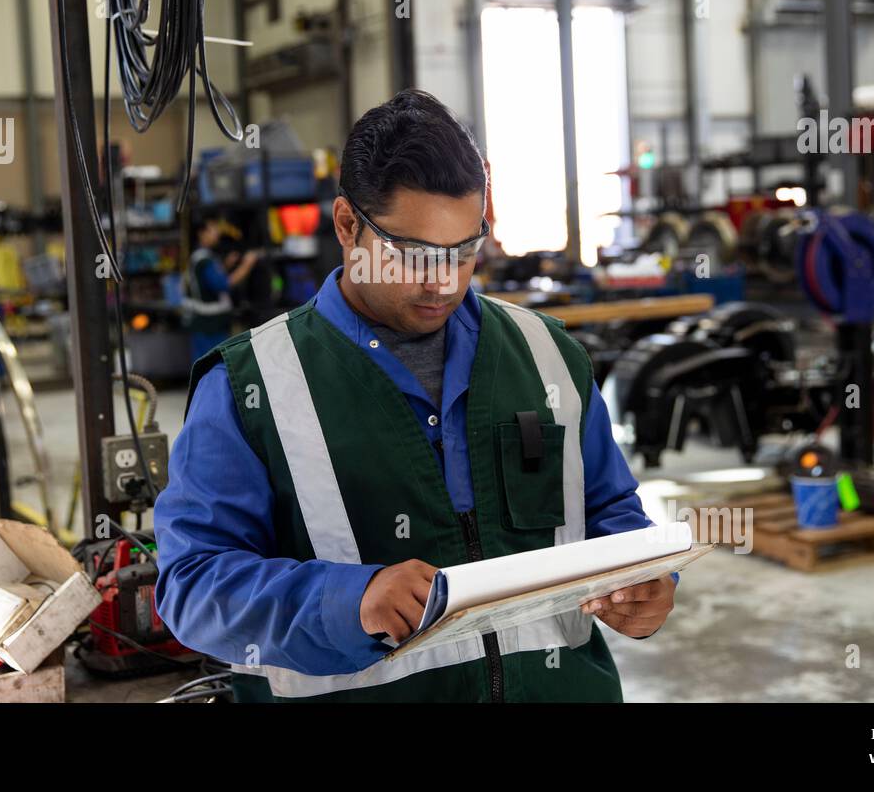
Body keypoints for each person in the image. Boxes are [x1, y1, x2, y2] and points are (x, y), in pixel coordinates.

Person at [154, 89, 676, 702]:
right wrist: (349, 602)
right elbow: (192, 588)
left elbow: (610, 507)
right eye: (415, 254)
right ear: (347, 224)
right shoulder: (252, 386)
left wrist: (644, 576)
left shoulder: (547, 355)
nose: (444, 282)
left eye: (465, 250)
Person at [181, 216, 261, 362]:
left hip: (205, 323)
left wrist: (226, 265)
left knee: (205, 364)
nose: (217, 232)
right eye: (213, 229)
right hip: (210, 325)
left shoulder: (201, 257)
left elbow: (207, 282)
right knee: (212, 364)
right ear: (202, 233)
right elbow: (223, 284)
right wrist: (247, 264)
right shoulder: (204, 260)